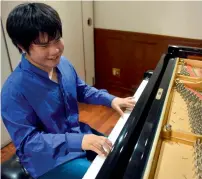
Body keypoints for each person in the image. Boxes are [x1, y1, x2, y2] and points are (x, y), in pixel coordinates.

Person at [1, 2, 135, 179]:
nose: (55, 50)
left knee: (122, 157)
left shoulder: (63, 64)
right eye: (44, 45)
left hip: (77, 134)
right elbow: (28, 143)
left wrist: (111, 99)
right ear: (22, 47)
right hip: (48, 160)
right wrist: (79, 141)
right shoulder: (13, 91)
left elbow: (81, 90)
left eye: (57, 39)